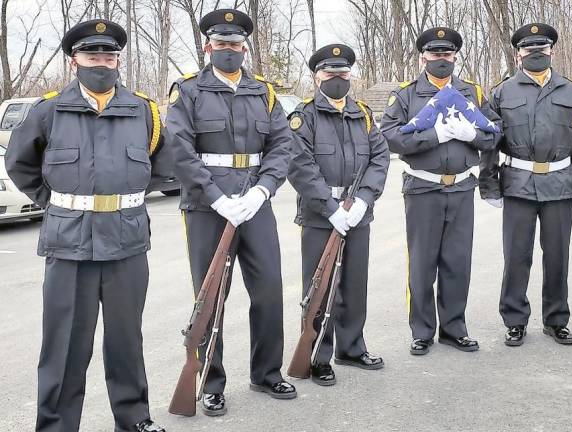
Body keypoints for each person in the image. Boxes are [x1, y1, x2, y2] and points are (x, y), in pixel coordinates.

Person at [5, 19, 166, 432]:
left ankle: (134, 420)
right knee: (64, 346)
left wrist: (125, 201)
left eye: (109, 56)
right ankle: (57, 425)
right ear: (73, 60)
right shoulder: (48, 110)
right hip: (68, 245)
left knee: (127, 341)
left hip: (127, 245)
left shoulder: (143, 110)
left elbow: (162, 167)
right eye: (92, 55)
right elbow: (20, 165)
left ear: (118, 60)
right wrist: (62, 205)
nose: (101, 63)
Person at [165, 8, 296, 416]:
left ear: (245, 48)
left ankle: (267, 372)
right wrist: (216, 197)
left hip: (254, 203)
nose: (229, 51)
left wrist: (263, 189)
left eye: (236, 45)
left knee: (269, 289)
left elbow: (282, 147)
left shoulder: (265, 93)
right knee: (210, 295)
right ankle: (210, 380)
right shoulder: (187, 92)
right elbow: (181, 150)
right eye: (221, 44)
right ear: (208, 46)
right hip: (208, 207)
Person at [381, 27, 501, 355]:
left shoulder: (471, 93)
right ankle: (422, 331)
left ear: (455, 57)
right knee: (422, 264)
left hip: (461, 187)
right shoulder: (405, 95)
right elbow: (390, 137)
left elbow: (493, 135)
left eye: (447, 54)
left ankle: (454, 328)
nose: (441, 60)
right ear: (423, 57)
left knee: (457, 262)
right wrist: (435, 136)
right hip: (423, 188)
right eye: (435, 54)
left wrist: (469, 134)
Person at [479, 23, 572, 347]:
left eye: (542, 47)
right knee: (516, 256)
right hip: (518, 185)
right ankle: (514, 320)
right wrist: (489, 185)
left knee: (557, 256)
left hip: (559, 185)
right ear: (518, 53)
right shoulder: (501, 93)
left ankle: (556, 320)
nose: (536, 53)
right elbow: (489, 144)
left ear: (551, 49)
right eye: (529, 48)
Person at [287, 44, 390, 385]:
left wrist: (363, 199)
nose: (337, 79)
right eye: (330, 74)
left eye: (343, 74)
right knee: (320, 287)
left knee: (354, 283)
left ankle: (352, 347)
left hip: (357, 212)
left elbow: (380, 157)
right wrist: (331, 209)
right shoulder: (304, 118)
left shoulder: (363, 115)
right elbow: (300, 167)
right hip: (321, 216)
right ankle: (317, 354)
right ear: (316, 76)